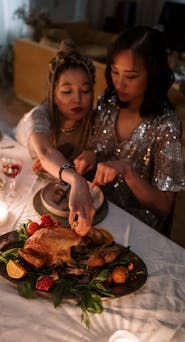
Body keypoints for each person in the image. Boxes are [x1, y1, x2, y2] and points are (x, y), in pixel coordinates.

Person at [73, 26, 185, 233]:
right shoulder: (107, 102)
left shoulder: (166, 126)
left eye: (131, 76)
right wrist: (91, 153)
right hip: (96, 210)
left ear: (153, 75)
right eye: (115, 72)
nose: (119, 84)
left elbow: (163, 208)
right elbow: (95, 147)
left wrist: (128, 172)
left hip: (133, 227)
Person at [15, 40, 96, 236]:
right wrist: (76, 179)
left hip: (57, 191)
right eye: (67, 91)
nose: (77, 99)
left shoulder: (92, 120)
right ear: (53, 93)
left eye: (85, 91)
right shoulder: (40, 116)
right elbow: (46, 151)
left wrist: (94, 153)